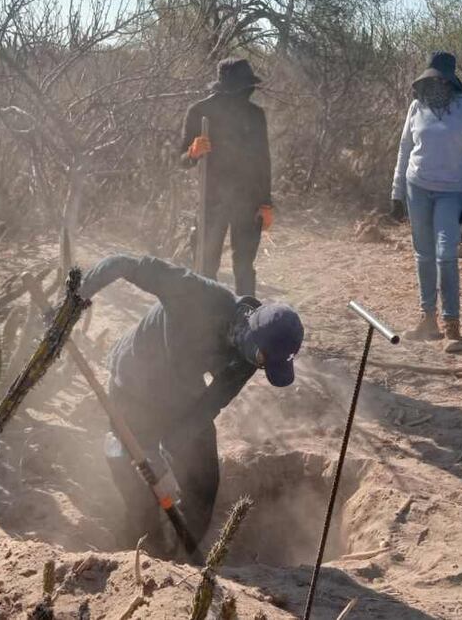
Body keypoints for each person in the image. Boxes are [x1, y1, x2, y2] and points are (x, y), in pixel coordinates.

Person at [80, 253, 303, 555]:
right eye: (264, 360)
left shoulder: (250, 358)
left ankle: (183, 554)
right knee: (138, 487)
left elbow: (210, 404)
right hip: (135, 380)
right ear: (252, 332)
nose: (260, 367)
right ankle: (147, 548)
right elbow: (125, 264)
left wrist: (171, 447)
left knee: (203, 483)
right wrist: (77, 297)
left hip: (181, 390)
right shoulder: (197, 295)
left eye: (268, 366)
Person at [390, 51, 462, 347]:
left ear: (451, 81)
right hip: (416, 187)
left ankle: (451, 325)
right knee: (423, 255)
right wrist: (396, 192)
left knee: (446, 255)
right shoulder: (417, 107)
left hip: (452, 192)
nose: (436, 84)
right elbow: (405, 149)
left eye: (441, 79)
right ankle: (427, 319)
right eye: (432, 79)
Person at [180, 58, 273, 297]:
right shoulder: (200, 112)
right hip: (212, 200)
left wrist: (265, 203)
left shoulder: (255, 115)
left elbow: (263, 161)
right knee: (206, 265)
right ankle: (204, 319)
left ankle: (247, 318)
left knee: (243, 268)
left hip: (248, 202)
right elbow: (178, 160)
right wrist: (192, 152)